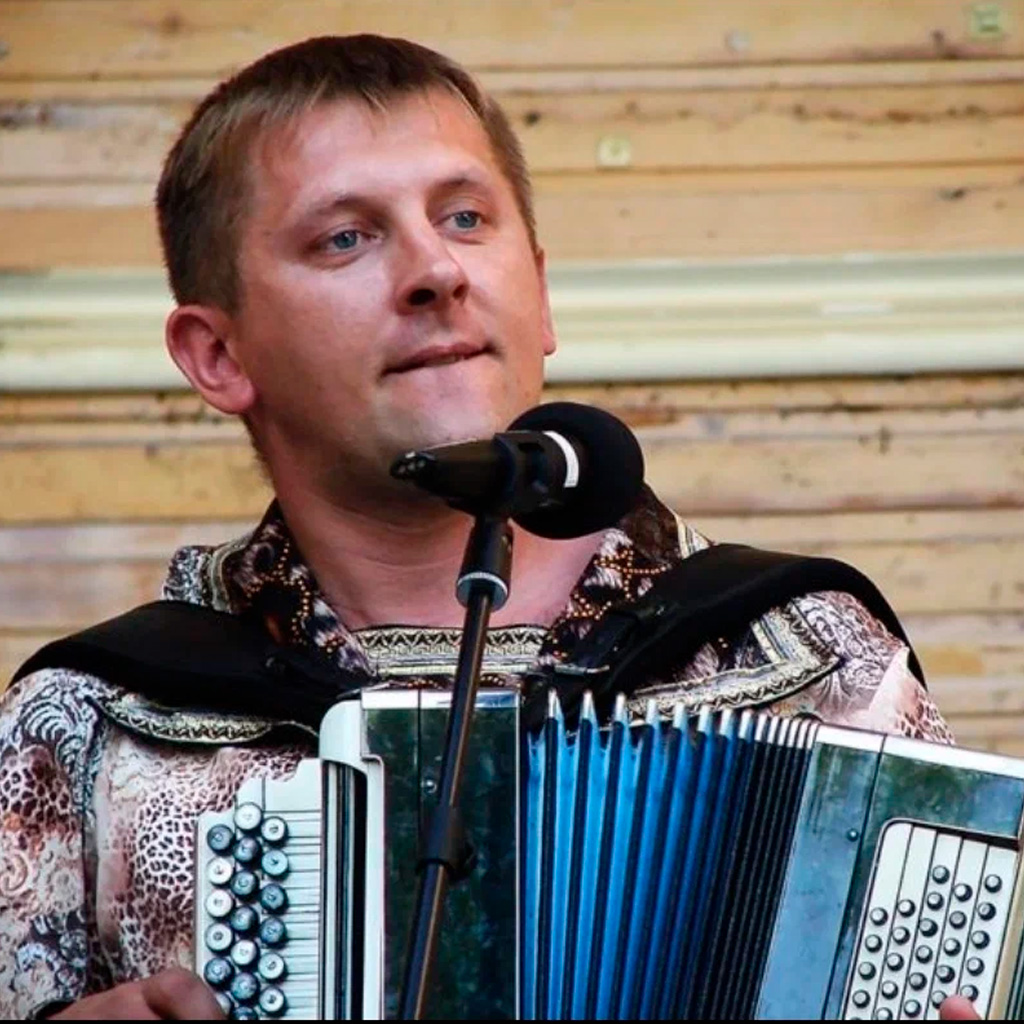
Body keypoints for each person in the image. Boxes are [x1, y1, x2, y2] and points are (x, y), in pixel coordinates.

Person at [0, 34, 977, 1020]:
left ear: (540, 293)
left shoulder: (809, 652)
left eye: (464, 218)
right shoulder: (85, 724)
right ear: (217, 355)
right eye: (346, 238)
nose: (435, 270)